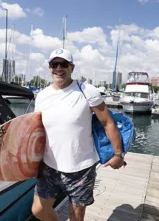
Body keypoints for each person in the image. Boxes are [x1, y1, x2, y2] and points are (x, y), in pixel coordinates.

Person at [31, 48, 125, 221]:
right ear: (49, 67)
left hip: (80, 167)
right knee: (38, 210)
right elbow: (36, 131)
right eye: (54, 64)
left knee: (75, 216)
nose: (59, 68)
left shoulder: (87, 91)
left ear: (72, 68)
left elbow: (108, 123)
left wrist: (118, 154)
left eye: (64, 64)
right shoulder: (42, 96)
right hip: (49, 166)